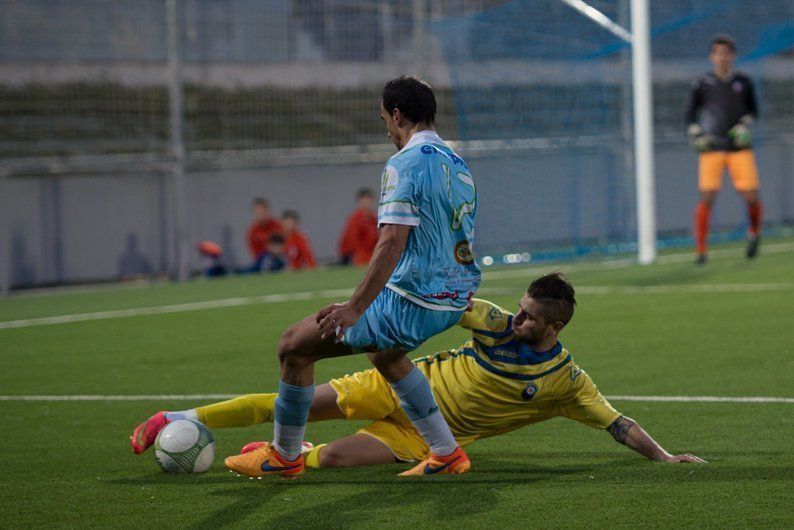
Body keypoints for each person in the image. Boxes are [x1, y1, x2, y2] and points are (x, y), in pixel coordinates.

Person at [131, 76, 481, 478]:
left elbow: (391, 242)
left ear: (397, 115)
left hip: (413, 301)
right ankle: (446, 451)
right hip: (452, 297)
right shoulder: (457, 164)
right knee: (386, 355)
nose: (386, 127)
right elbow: (460, 233)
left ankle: (284, 456)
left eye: (384, 118)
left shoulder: (404, 163)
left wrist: (355, 308)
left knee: (294, 346)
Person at [130, 274, 706, 469]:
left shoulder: (566, 384)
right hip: (390, 384)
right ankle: (177, 417)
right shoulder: (495, 319)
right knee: (292, 397)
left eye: (529, 318)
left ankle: (277, 456)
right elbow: (451, 303)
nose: (517, 319)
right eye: (519, 308)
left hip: (417, 434)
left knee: (329, 460)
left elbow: (616, 423)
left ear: (553, 328)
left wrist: (664, 456)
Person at [685, 34, 762, 265]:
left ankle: (754, 233)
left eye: (726, 53)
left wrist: (743, 125)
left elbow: (753, 111)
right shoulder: (702, 83)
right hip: (712, 147)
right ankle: (701, 250)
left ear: (733, 56)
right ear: (712, 56)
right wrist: (696, 134)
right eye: (718, 53)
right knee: (707, 196)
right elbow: (690, 115)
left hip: (739, 147)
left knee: (751, 196)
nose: (722, 57)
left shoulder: (744, 82)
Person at [338, 188, 379, 266]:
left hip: (370, 253)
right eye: (364, 200)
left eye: (369, 199)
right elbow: (352, 240)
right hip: (356, 256)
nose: (367, 202)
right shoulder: (355, 218)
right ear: (360, 201)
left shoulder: (373, 218)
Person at [246, 198, 283, 266]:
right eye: (258, 212)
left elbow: (285, 245)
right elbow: (255, 254)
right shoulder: (253, 231)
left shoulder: (277, 226)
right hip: (262, 261)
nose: (261, 215)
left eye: (263, 212)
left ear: (267, 211)